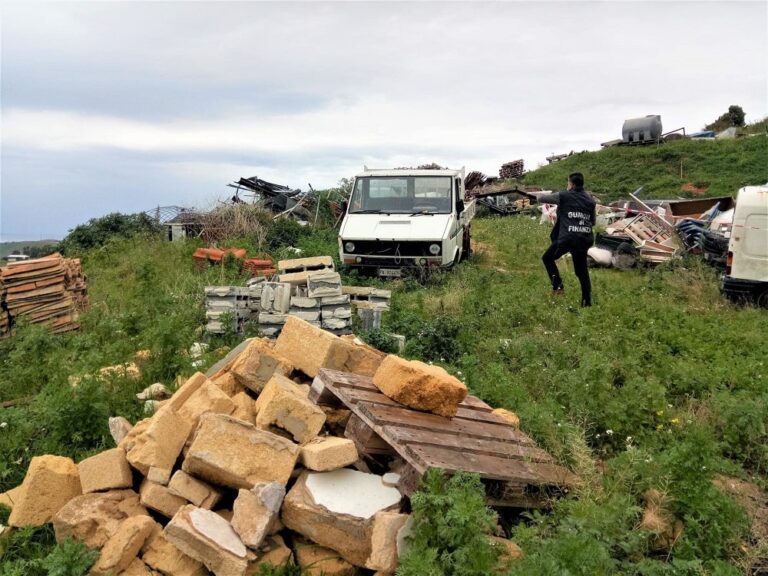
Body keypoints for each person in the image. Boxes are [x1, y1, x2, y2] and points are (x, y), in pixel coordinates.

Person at [537, 172, 596, 307]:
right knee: (582, 271)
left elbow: (542, 199)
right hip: (584, 238)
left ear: (572, 184)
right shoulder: (590, 201)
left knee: (547, 258)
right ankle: (586, 303)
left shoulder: (564, 195)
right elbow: (592, 222)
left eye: (568, 183)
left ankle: (558, 288)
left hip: (568, 238)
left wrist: (540, 195)